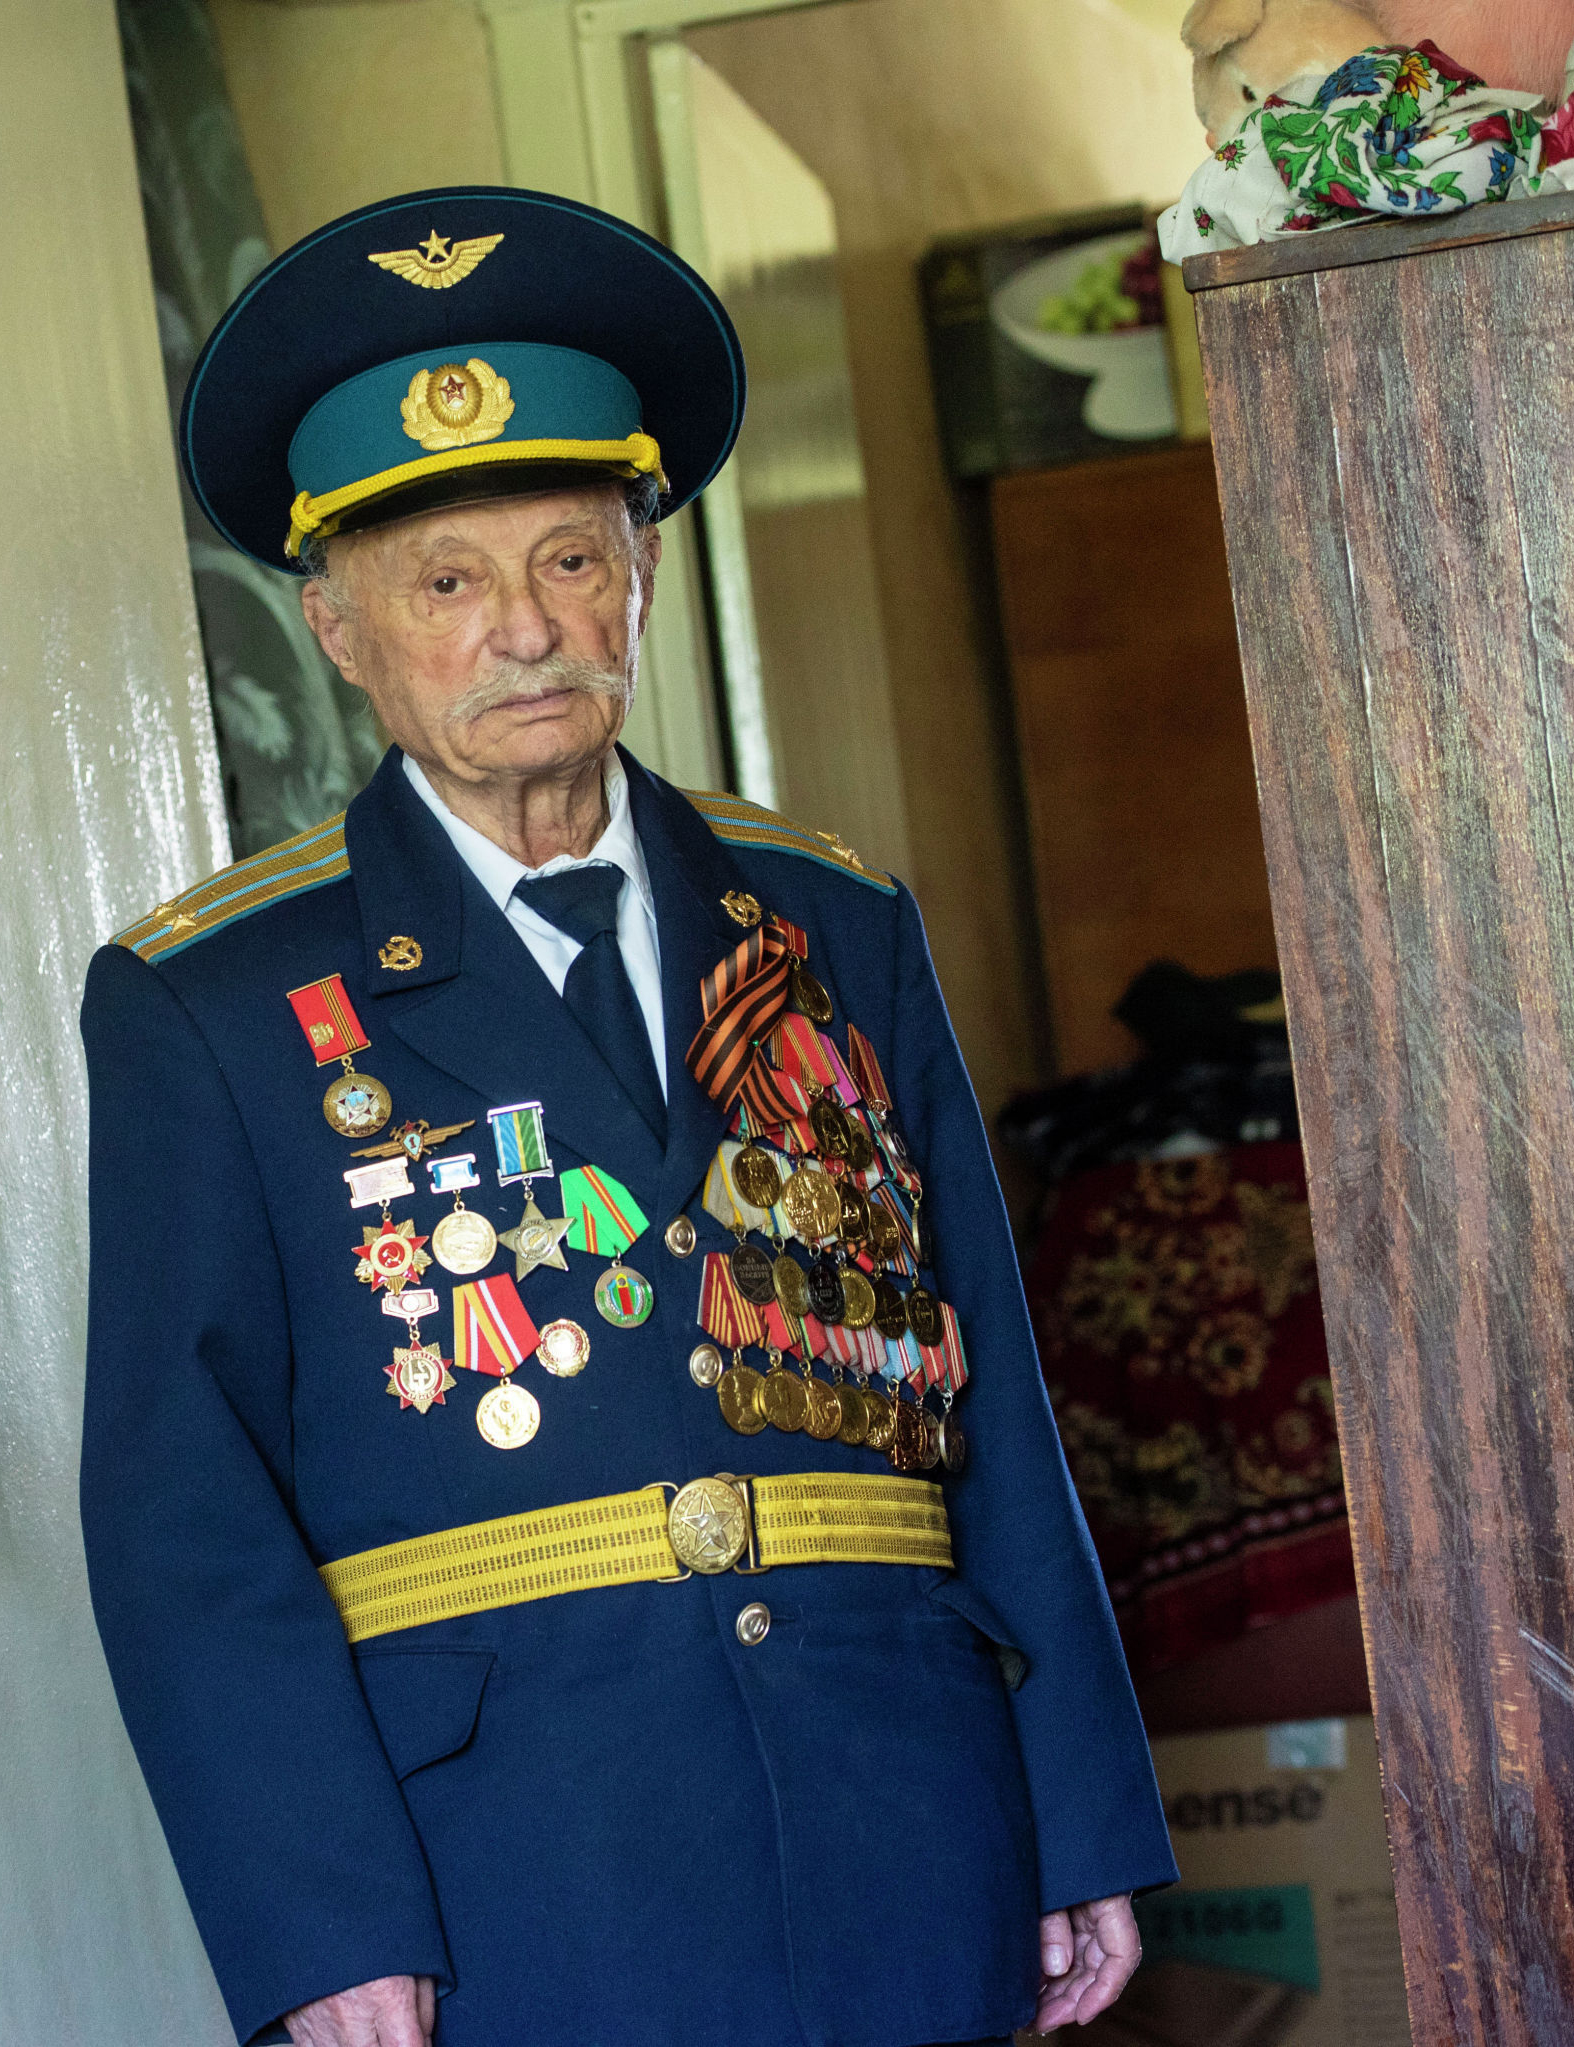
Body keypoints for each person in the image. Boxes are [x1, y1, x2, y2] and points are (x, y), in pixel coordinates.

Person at [80, 187, 1173, 2047]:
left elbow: (987, 1379)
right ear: (337, 627)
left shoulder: (830, 918)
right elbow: (183, 1514)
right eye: (444, 583)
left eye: (570, 558)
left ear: (644, 573)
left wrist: (1075, 1806)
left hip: (902, 1808)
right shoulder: (212, 1003)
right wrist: (318, 1918)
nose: (524, 629)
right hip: (525, 1871)